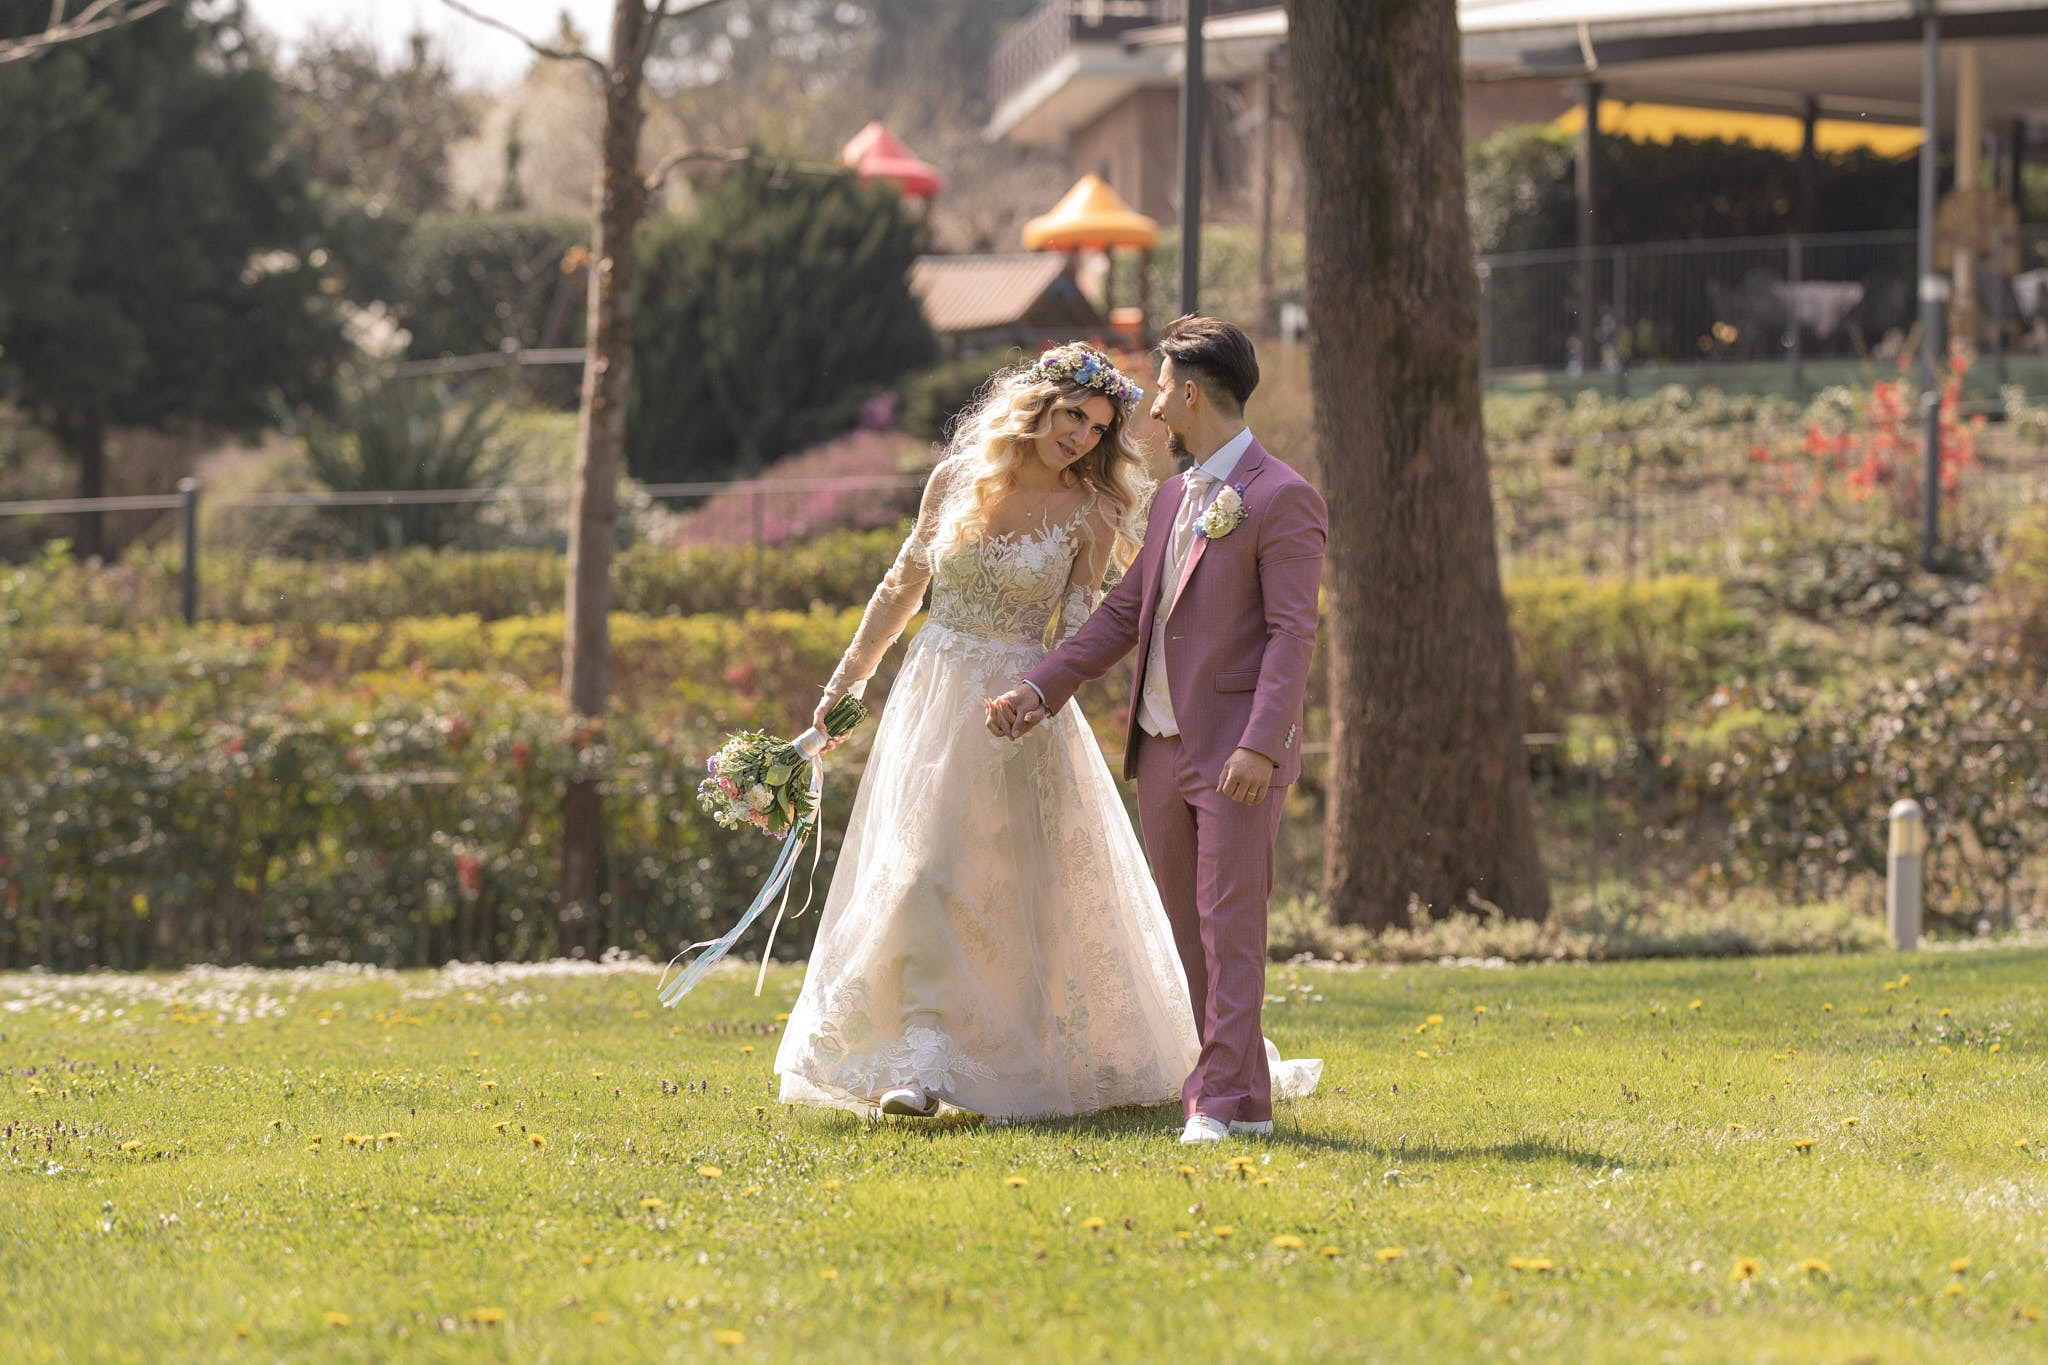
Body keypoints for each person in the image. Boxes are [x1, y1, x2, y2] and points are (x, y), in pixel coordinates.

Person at [774, 342, 1201, 1121]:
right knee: (923, 871)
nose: (1080, 436)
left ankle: (1014, 1054)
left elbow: (1080, 628)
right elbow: (903, 584)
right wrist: (846, 685)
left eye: (1098, 428)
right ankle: (922, 1061)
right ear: (1039, 402)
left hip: (1019, 708)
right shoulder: (954, 479)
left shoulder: (1092, 511)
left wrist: (1037, 695)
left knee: (1013, 891)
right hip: (930, 697)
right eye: (1074, 414)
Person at [988, 315, 1328, 1145]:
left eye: (1162, 388)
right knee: (1189, 936)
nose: (1151, 408)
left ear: (1190, 392)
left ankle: (1210, 1102)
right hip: (1162, 751)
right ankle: (1245, 1101)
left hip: (1237, 754)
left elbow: (1293, 634)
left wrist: (1260, 740)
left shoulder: (1283, 497)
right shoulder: (1175, 496)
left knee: (1231, 923)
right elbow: (1126, 613)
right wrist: (1041, 688)